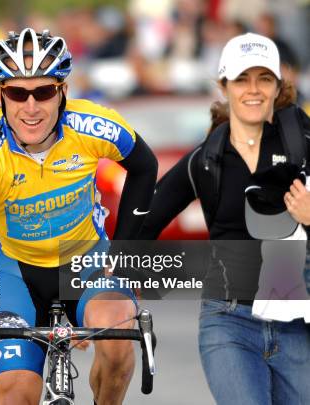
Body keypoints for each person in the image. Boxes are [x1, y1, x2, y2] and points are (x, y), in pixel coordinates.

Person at [0, 28, 157, 405]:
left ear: (62, 90)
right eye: (17, 93)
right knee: (15, 389)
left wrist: (126, 250)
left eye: (43, 92)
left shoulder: (92, 125)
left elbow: (145, 167)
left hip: (88, 261)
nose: (31, 107)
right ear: (0, 95)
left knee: (116, 341)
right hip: (18, 271)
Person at [138, 33, 310, 404]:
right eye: (242, 79)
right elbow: (144, 224)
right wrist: (98, 274)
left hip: (299, 321)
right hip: (228, 320)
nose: (253, 89)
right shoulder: (205, 160)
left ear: (278, 86)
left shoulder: (303, 144)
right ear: (224, 85)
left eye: (264, 79)